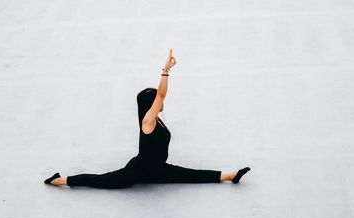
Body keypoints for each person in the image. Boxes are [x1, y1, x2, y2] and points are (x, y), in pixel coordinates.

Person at [44, 48, 250, 189]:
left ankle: (230, 175)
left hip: (158, 169)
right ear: (150, 106)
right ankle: (59, 180)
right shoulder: (147, 122)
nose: (160, 104)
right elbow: (161, 95)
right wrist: (165, 71)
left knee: (192, 175)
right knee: (101, 181)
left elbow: (159, 97)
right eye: (155, 103)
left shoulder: (155, 119)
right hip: (139, 171)